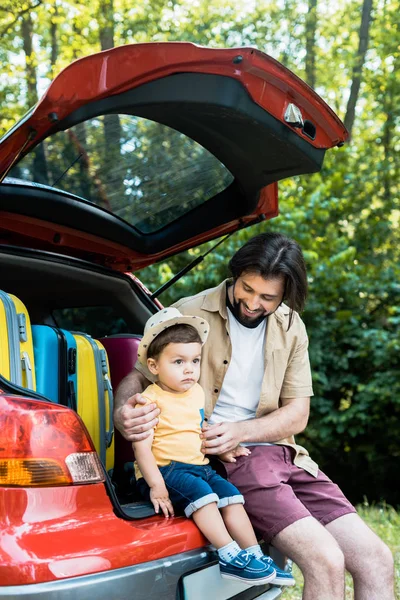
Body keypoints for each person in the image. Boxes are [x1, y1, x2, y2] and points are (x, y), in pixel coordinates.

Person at [115, 232, 395, 600]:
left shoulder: (291, 326)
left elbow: (297, 414)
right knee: (326, 560)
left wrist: (241, 430)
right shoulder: (191, 312)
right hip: (235, 462)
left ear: (285, 296)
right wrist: (124, 411)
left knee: (377, 559)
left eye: (268, 297)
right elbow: (136, 376)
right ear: (236, 274)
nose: (252, 303)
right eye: (247, 289)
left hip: (290, 457)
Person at [132, 307, 294, 587]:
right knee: (205, 496)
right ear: (154, 366)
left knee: (232, 497)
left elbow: (197, 426)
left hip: (199, 466)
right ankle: (229, 555)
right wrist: (156, 486)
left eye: (195, 360)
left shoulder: (195, 392)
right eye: (178, 362)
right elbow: (141, 448)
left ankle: (254, 555)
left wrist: (220, 449)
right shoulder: (149, 400)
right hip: (165, 470)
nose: (189, 369)